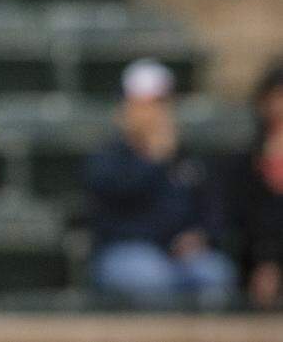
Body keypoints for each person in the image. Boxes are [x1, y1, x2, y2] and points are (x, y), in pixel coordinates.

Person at [84, 59, 236, 308]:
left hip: (181, 255)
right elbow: (115, 205)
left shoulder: (188, 156)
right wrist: (154, 159)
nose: (151, 113)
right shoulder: (108, 157)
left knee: (215, 273)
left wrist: (199, 236)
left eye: (158, 104)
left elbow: (211, 208)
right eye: (142, 105)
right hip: (125, 252)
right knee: (153, 277)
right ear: (125, 108)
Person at [230, 61, 283, 310]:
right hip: (252, 259)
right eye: (277, 98)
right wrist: (266, 261)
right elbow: (244, 218)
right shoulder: (246, 158)